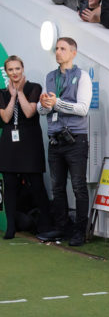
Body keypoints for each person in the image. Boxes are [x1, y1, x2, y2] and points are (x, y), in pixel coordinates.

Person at [37, 37, 91, 246]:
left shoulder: (82, 76)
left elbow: (83, 109)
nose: (58, 52)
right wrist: (44, 105)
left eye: (63, 49)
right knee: (57, 187)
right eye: (56, 48)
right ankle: (61, 228)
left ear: (73, 52)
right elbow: (43, 111)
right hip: (55, 140)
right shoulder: (50, 77)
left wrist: (57, 103)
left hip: (76, 139)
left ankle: (80, 231)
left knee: (78, 186)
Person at [0, 55, 55, 240]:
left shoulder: (34, 88)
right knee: (9, 184)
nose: (14, 72)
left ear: (22, 69)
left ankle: (46, 224)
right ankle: (11, 227)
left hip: (30, 142)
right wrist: (12, 95)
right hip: (9, 142)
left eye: (17, 68)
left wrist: (21, 92)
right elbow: (6, 118)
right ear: (6, 72)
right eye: (10, 69)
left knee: (37, 183)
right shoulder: (1, 93)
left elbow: (29, 112)